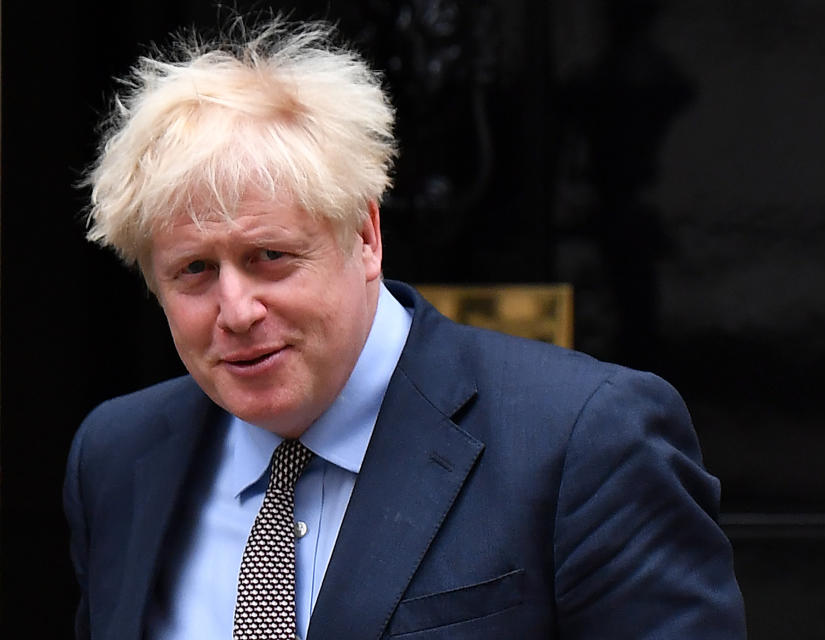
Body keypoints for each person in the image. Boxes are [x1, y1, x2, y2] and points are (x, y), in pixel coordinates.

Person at [64, 17, 746, 640]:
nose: (237, 310)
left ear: (364, 235)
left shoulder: (586, 442)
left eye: (269, 257)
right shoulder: (117, 456)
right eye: (194, 271)